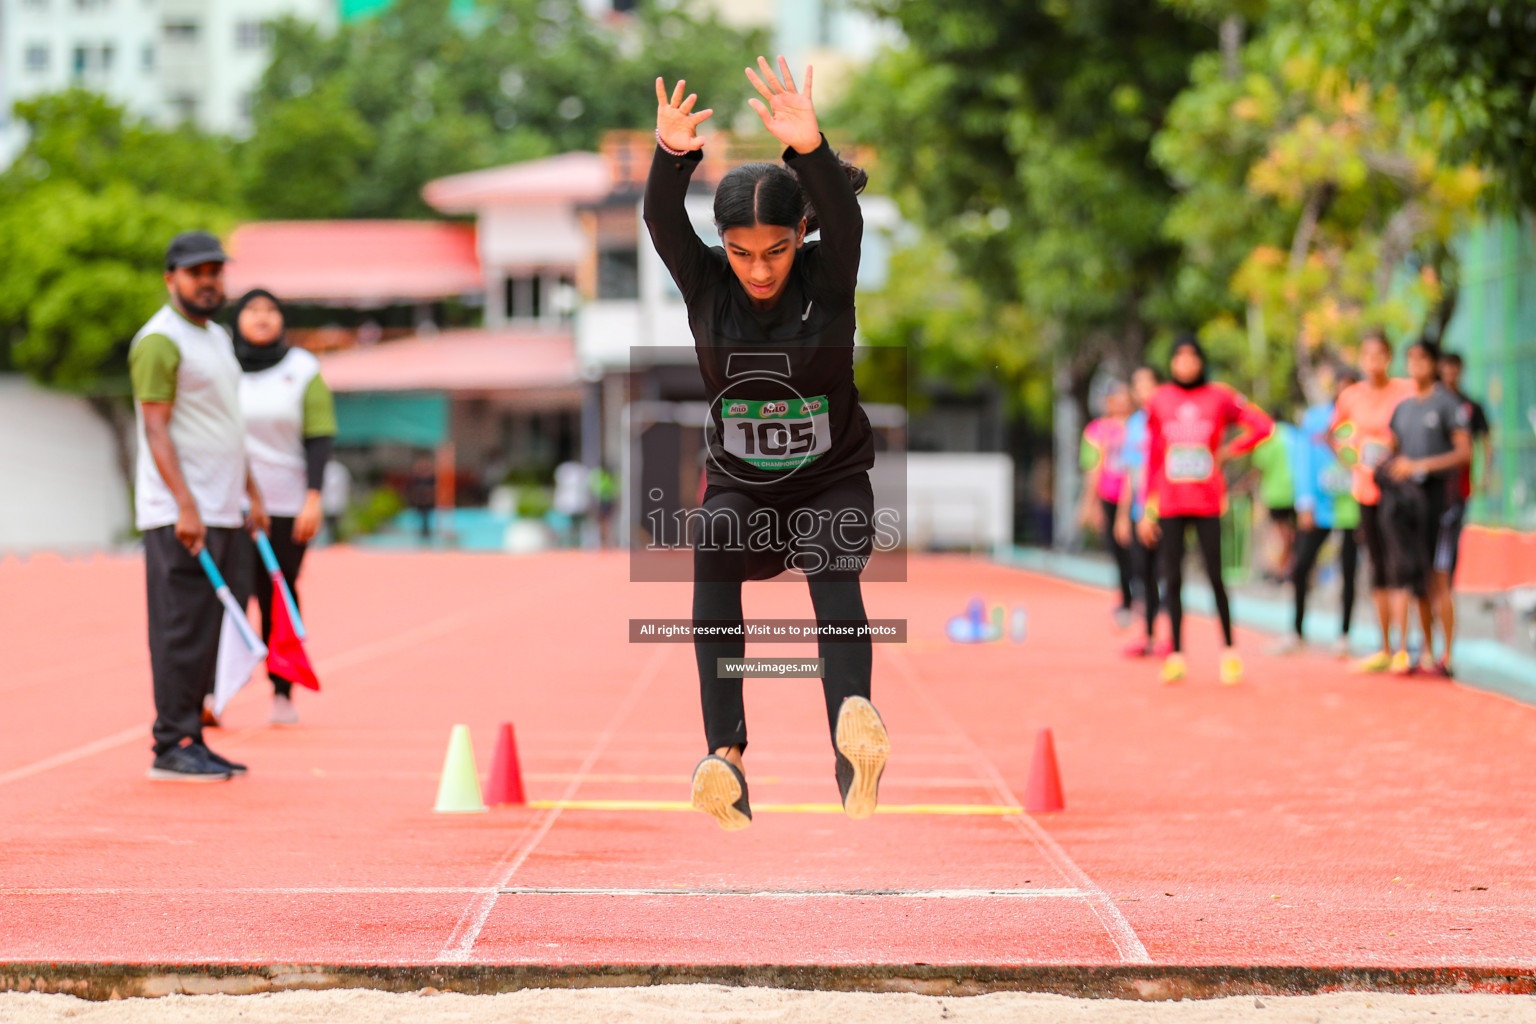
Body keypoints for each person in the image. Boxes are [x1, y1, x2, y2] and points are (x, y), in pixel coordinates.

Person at [646, 58, 889, 830]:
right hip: (743, 494)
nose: (759, 269)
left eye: (776, 251)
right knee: (711, 537)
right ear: (724, 244)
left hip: (831, 483)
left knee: (829, 548)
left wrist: (811, 148)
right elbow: (660, 220)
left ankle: (853, 729)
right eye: (743, 252)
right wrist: (670, 155)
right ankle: (727, 757)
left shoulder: (829, 279)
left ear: (801, 237)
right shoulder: (707, 285)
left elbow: (846, 222)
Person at [129, 231, 267, 781]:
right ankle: (170, 743)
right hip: (181, 513)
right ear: (171, 279)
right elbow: (156, 428)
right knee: (180, 629)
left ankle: (195, 735)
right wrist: (185, 504)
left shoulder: (216, 336)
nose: (208, 281)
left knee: (210, 629)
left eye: (215, 271)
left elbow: (229, 425)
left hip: (223, 507)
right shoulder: (161, 341)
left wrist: (250, 491)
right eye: (196, 272)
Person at [1137, 335, 1273, 685]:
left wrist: (1231, 450)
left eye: (1192, 357)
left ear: (1201, 361)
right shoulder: (1160, 400)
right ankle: (1177, 654)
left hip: (1208, 501)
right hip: (1169, 503)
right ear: (1171, 363)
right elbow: (1151, 458)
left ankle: (1229, 652)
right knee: (1173, 577)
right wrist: (1146, 509)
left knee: (1216, 576)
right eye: (1178, 357)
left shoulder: (1220, 396)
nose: (1186, 363)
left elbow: (1262, 426)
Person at [232, 288, 337, 726]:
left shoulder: (302, 368)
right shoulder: (221, 366)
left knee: (278, 595)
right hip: (230, 504)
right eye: (252, 310)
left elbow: (319, 436)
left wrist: (313, 498)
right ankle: (212, 691)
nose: (261, 317)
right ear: (236, 319)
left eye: (270, 310)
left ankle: (281, 689)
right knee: (230, 599)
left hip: (286, 503)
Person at [1380, 340, 1471, 675]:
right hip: (1409, 507)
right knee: (1417, 576)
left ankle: (1447, 655)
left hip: (1442, 504)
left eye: (1423, 358)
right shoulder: (1403, 409)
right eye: (1411, 358)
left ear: (1433, 363)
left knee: (1439, 578)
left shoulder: (1447, 404)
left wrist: (1422, 466)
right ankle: (1426, 651)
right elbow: (1390, 452)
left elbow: (1465, 453)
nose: (1416, 364)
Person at [1330, 332, 1416, 673]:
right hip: (1366, 491)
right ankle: (1383, 646)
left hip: (1399, 492)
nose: (1373, 362)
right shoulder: (1351, 395)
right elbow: (1334, 434)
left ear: (1389, 357)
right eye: (1367, 355)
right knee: (1377, 567)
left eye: (1380, 355)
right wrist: (1350, 460)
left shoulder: (1406, 390)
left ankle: (1404, 648)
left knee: (1401, 567)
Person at [1275, 364, 1360, 656]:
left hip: (1353, 506)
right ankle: (1296, 631)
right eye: (1342, 386)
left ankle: (1344, 636)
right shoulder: (1315, 419)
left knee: (1349, 571)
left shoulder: (1364, 421)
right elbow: (1303, 462)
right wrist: (1305, 503)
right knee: (1301, 566)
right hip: (1321, 507)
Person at [1116, 366, 1168, 657]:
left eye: (1145, 384)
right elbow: (1130, 473)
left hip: (1166, 510)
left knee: (1168, 574)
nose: (1140, 391)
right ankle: (1146, 634)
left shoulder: (1169, 420)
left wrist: (1155, 509)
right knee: (1143, 573)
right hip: (1138, 512)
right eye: (1137, 385)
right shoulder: (1134, 424)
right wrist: (1124, 516)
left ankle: (1171, 636)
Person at [1080, 383, 1134, 627]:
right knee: (1117, 549)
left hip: (1136, 495)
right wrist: (1089, 503)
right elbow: (1093, 470)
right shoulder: (1096, 431)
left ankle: (1145, 594)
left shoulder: (1139, 425)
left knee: (1139, 549)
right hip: (1109, 496)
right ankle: (1126, 598)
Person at [1246, 411, 1297, 583]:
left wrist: (1244, 486)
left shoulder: (1268, 436)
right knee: (1291, 533)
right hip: (1297, 492)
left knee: (1280, 534)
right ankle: (1291, 567)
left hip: (1276, 494)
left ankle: (1281, 570)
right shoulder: (1294, 435)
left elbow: (1259, 467)